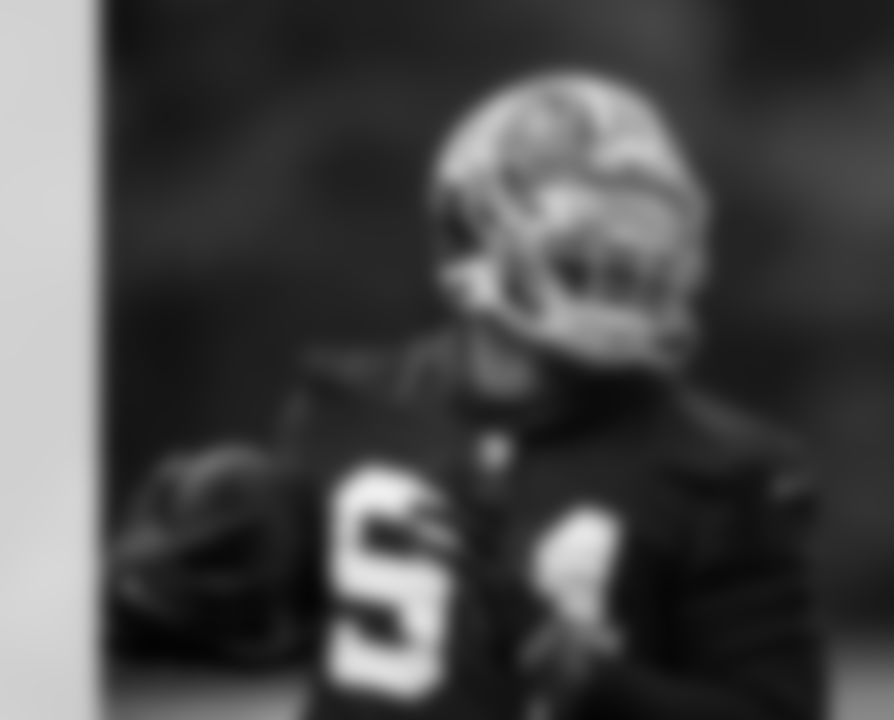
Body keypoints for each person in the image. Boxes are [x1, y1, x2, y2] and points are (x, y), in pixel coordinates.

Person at [109, 68, 828, 720]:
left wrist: (598, 686)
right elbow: (327, 644)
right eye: (590, 239)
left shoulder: (726, 475)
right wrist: (171, 602)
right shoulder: (346, 408)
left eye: (640, 241)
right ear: (479, 225)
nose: (623, 264)